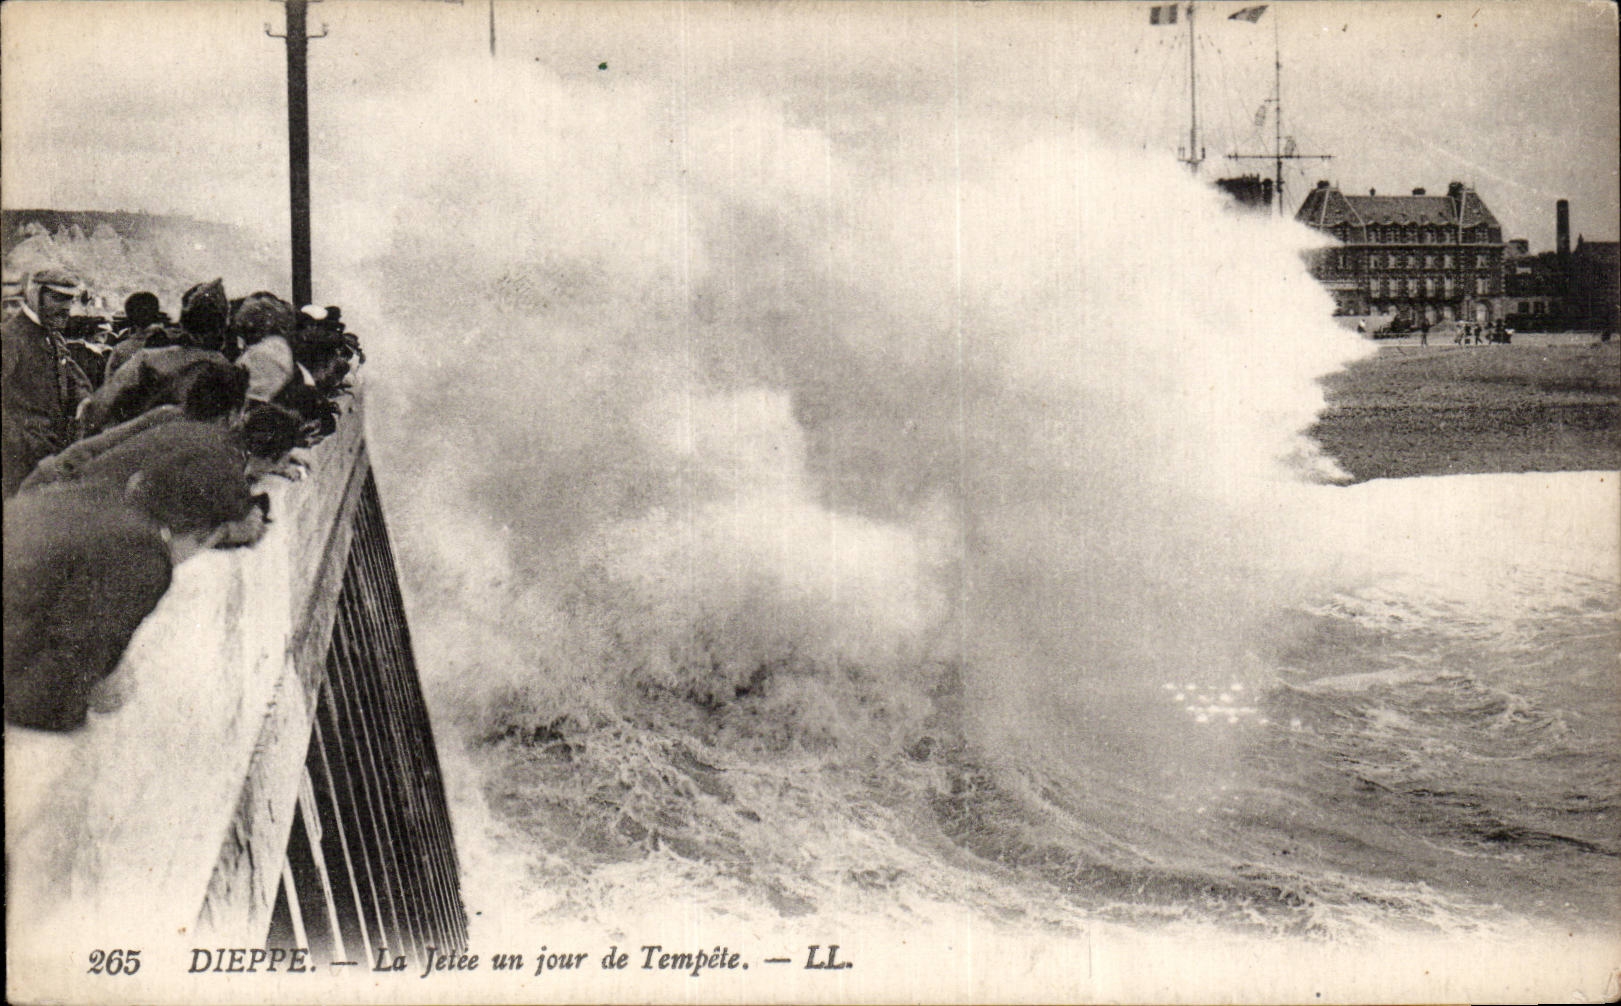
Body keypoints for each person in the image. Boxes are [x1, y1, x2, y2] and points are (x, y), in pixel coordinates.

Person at [4, 435, 264, 731]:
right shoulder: (143, 557)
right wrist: (88, 690)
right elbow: (48, 696)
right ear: (205, 534)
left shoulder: (99, 494)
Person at [2, 268, 96, 497]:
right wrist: (23, 439)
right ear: (35, 296)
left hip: (49, 453)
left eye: (69, 299)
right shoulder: (9, 337)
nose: (66, 307)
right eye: (57, 298)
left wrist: (84, 401)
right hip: (21, 460)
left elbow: (74, 377)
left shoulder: (53, 336)